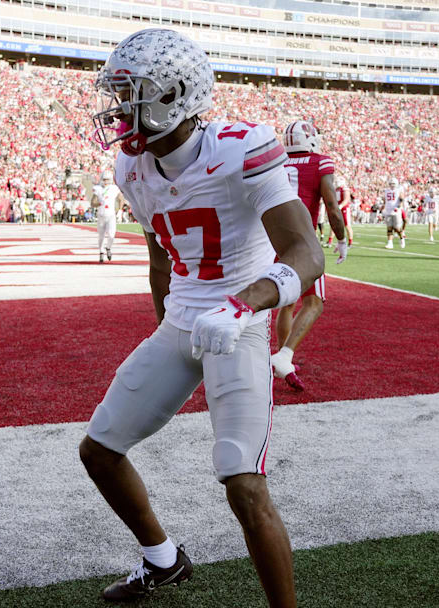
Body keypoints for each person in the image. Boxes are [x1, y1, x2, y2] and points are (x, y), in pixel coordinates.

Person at [81, 28, 320, 607]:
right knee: (100, 450)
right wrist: (167, 326)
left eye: (132, 93)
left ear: (175, 96)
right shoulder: (130, 170)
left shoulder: (242, 147)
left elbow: (306, 255)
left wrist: (243, 304)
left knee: (243, 484)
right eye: (117, 93)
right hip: (184, 320)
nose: (119, 109)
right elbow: (160, 260)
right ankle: (162, 560)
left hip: (240, 323)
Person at [270, 120, 348, 392]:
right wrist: (341, 238)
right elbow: (332, 206)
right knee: (314, 303)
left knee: (287, 303)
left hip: (271, 239)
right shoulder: (320, 162)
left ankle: (281, 355)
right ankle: (284, 356)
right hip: (301, 240)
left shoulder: (276, 162)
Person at [91, 171, 121, 263]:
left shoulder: (114, 188)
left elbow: (120, 199)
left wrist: (120, 210)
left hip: (111, 215)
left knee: (112, 235)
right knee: (101, 236)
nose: (105, 181)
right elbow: (92, 203)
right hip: (101, 215)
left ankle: (108, 248)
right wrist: (99, 203)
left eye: (107, 179)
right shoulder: (98, 189)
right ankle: (101, 252)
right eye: (104, 179)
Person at [382, 178, 406, 249]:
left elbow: (402, 199)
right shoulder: (386, 191)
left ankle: (402, 238)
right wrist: (383, 209)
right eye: (391, 184)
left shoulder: (399, 190)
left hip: (396, 211)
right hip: (388, 210)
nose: (392, 185)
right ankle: (390, 243)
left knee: (397, 228)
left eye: (393, 184)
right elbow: (385, 201)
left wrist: (399, 206)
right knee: (389, 228)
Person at [334, 175, 353, 247]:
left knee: (347, 225)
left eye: (338, 181)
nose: (336, 182)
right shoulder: (336, 189)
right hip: (338, 208)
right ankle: (330, 241)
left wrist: (340, 206)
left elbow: (346, 199)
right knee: (335, 225)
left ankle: (350, 242)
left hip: (344, 208)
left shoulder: (344, 188)